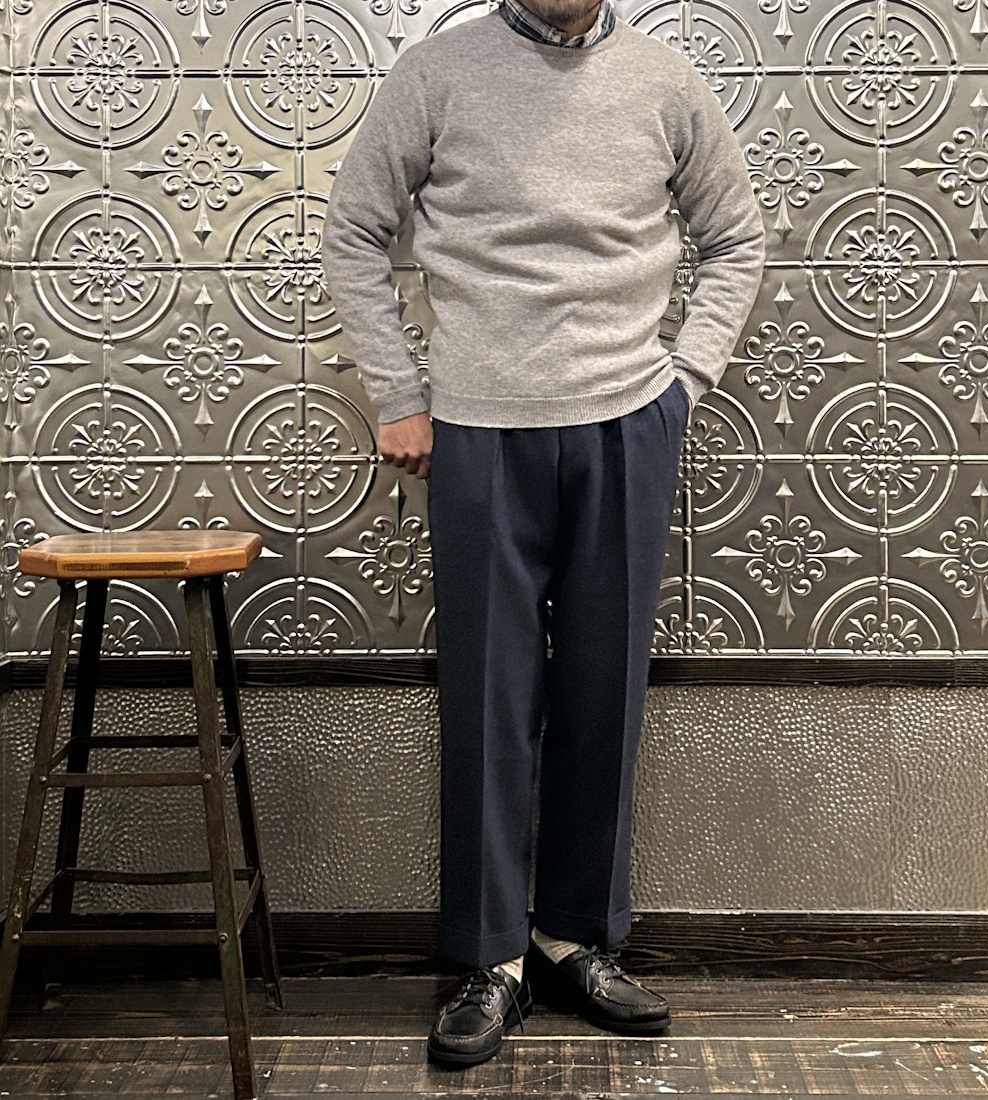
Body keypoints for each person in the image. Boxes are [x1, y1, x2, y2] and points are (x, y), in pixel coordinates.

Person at [321, 0, 765, 1068]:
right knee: (487, 695)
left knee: (603, 691)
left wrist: (685, 381)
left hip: (627, 420)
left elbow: (736, 237)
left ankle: (574, 939)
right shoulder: (435, 73)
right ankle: (492, 958)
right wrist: (397, 394)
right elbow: (352, 232)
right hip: (478, 428)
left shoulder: (664, 81)